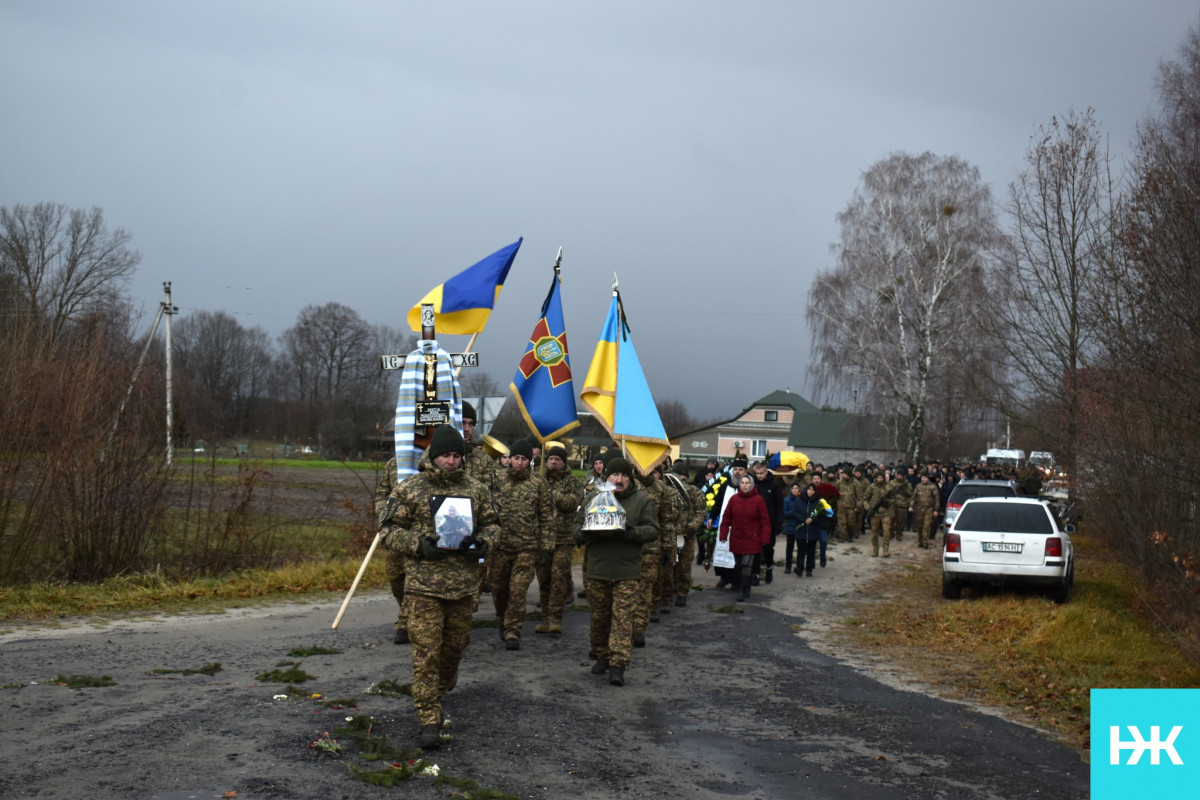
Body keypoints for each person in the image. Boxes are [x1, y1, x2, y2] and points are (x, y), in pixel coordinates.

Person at [378, 424, 498, 749]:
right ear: (434, 455)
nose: (451, 461)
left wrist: (482, 542)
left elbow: (493, 524)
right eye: (445, 454)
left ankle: (441, 689)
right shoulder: (411, 489)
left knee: (455, 646)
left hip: (462, 586)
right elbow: (387, 528)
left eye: (456, 455)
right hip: (423, 587)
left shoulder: (476, 490)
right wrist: (419, 545)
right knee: (426, 653)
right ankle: (429, 717)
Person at [575, 457, 659, 686]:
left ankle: (618, 664)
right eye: (614, 475)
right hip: (598, 569)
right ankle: (601, 655)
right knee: (599, 618)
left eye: (623, 476)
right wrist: (587, 533)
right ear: (607, 477)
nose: (619, 480)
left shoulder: (642, 500)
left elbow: (653, 530)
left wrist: (631, 533)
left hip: (627, 570)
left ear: (630, 478)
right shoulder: (594, 498)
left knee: (622, 620)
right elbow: (575, 528)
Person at [490, 439, 553, 650]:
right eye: (515, 458)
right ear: (509, 459)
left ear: (530, 460)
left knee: (518, 590)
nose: (519, 462)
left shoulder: (539, 483)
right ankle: (502, 619)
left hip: (527, 547)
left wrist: (546, 547)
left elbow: (546, 517)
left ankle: (513, 630)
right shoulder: (496, 479)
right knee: (499, 589)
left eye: (524, 459)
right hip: (500, 546)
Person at [535, 444, 585, 635]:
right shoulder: (540, 480)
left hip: (563, 539)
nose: (553, 462)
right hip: (543, 539)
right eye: (550, 459)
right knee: (544, 578)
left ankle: (555, 618)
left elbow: (571, 503)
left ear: (564, 462)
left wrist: (551, 492)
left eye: (557, 459)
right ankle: (545, 616)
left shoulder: (573, 482)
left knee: (558, 576)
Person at [717, 473, 771, 602]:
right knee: (738, 565)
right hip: (737, 537)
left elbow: (765, 521)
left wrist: (765, 537)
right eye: (742, 483)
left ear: (751, 484)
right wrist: (723, 533)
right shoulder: (734, 499)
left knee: (747, 564)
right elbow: (726, 518)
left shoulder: (758, 500)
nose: (744, 485)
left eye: (747, 483)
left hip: (752, 538)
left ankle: (741, 589)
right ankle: (746, 586)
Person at [373, 456, 409, 644]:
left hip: (423, 531)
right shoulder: (394, 463)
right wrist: (384, 512)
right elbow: (381, 494)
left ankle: (405, 622)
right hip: (397, 530)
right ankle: (407, 611)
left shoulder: (434, 461)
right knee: (396, 576)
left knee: (418, 578)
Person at [668, 462, 707, 607]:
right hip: (673, 535)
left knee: (681, 566)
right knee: (675, 566)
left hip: (685, 536)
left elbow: (701, 512)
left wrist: (691, 528)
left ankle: (680, 592)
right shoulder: (668, 491)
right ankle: (675, 592)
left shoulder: (693, 491)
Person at [752, 462, 784, 583]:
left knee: (768, 548)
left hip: (769, 522)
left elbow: (779, 505)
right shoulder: (753, 484)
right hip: (755, 522)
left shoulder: (774, 485)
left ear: (766, 472)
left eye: (761, 473)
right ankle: (755, 574)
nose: (759, 476)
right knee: (755, 549)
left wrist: (779, 523)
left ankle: (769, 568)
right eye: (757, 473)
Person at [795, 483, 832, 577]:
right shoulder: (799, 500)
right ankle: (799, 568)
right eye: (809, 489)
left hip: (813, 530)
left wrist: (813, 520)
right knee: (801, 550)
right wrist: (804, 519)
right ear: (805, 490)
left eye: (812, 490)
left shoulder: (819, 502)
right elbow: (795, 513)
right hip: (802, 529)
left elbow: (822, 516)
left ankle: (809, 569)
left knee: (811, 551)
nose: (810, 491)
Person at [909, 472, 941, 549]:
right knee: (919, 526)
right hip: (919, 509)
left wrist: (936, 510)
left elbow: (937, 499)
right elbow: (913, 497)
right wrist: (911, 506)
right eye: (922, 477)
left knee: (926, 526)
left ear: (928, 478)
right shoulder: (918, 486)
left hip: (929, 509)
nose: (923, 479)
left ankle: (925, 543)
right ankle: (920, 541)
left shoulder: (932, 487)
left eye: (925, 477)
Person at [781, 481, 804, 574]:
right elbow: (785, 513)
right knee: (789, 547)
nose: (795, 490)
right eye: (793, 488)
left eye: (796, 488)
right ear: (790, 490)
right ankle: (788, 566)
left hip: (799, 526)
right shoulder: (786, 500)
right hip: (790, 527)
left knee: (800, 547)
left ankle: (799, 566)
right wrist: (793, 513)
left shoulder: (802, 499)